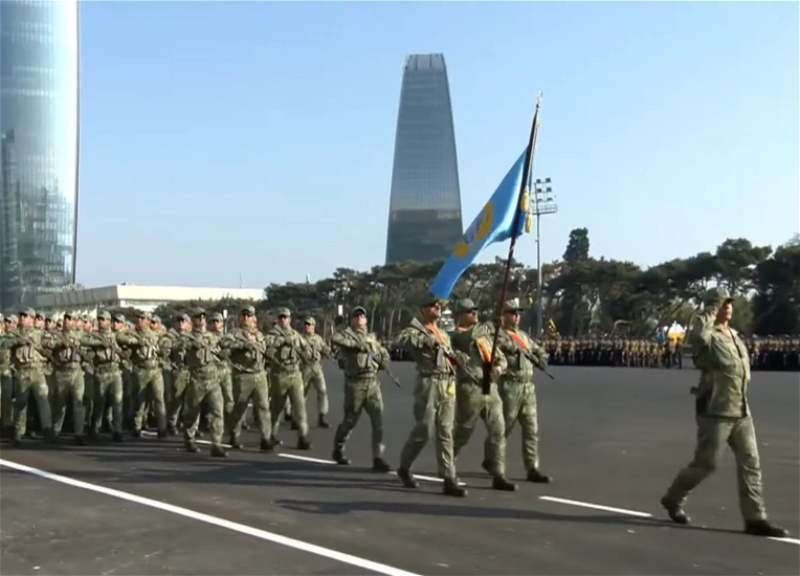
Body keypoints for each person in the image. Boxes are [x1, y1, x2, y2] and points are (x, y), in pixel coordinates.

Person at [660, 287, 789, 537]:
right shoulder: (706, 336)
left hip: (740, 409)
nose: (728, 306)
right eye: (722, 303)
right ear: (711, 307)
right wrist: (709, 311)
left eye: (729, 302)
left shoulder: (733, 335)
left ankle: (755, 519)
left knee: (751, 463)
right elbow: (698, 336)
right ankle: (673, 498)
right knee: (707, 463)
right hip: (715, 409)